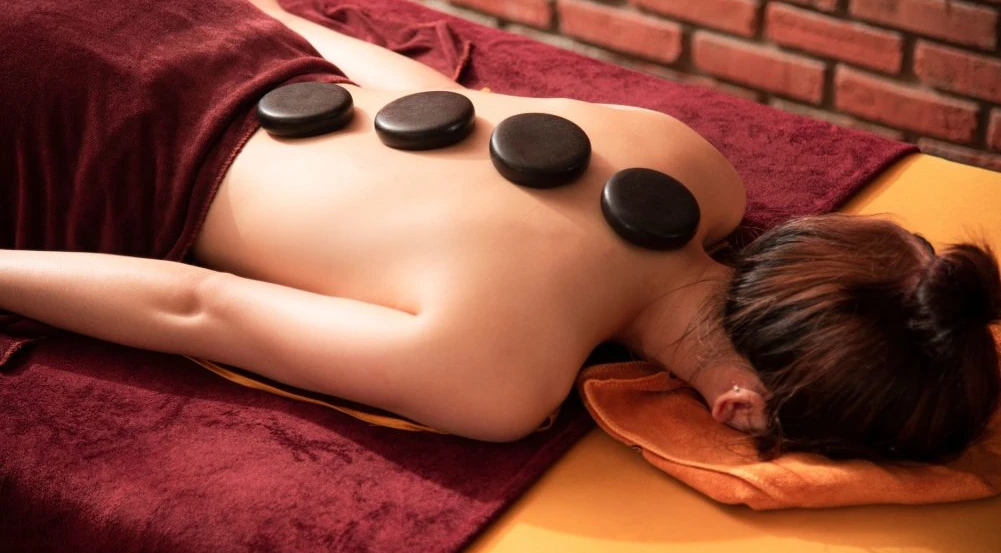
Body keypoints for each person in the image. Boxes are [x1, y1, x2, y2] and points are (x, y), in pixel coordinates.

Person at [1, 0, 998, 463]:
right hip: (71, 123)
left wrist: (252, 11)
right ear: (739, 411)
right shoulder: (501, 380)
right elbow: (195, 304)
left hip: (187, 28)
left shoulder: (696, 169)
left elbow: (424, 97)